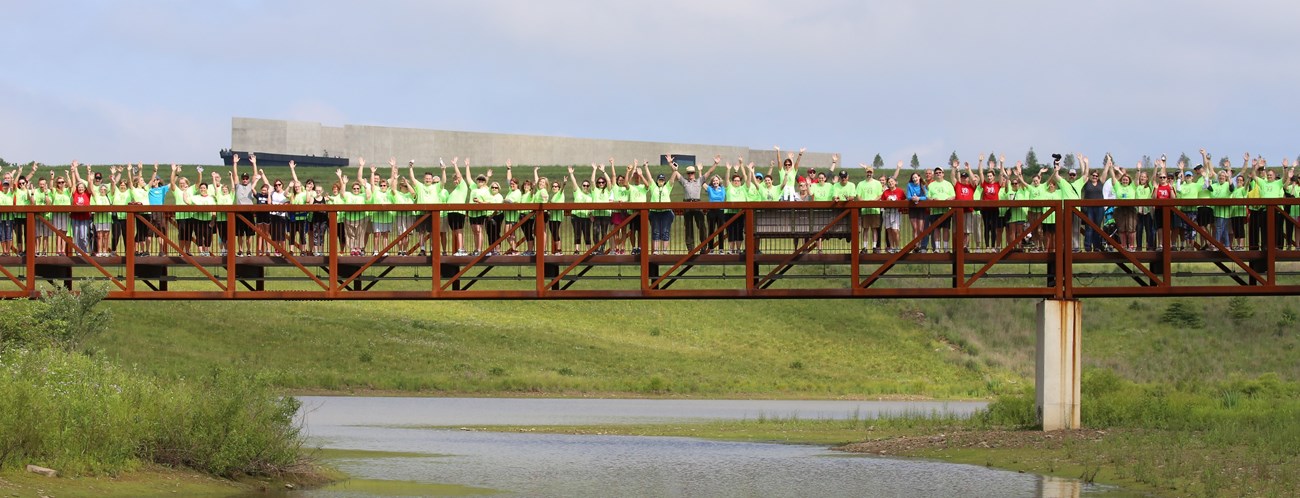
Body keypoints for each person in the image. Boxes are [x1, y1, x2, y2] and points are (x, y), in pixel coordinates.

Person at [677, 156, 714, 250]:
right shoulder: (684, 182)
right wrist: (670, 164)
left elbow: (709, 173)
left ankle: (703, 246)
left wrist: (715, 163)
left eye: (692, 173)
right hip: (687, 204)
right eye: (689, 173)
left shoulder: (699, 181)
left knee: (702, 226)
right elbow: (676, 173)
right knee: (688, 227)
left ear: (695, 173)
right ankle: (690, 249)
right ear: (687, 174)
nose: (690, 175)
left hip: (697, 204)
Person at [856, 161, 890, 254]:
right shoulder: (860, 184)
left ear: (873, 173)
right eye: (868, 172)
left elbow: (880, 195)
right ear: (865, 172)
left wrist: (873, 202)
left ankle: (875, 247)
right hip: (865, 210)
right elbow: (858, 196)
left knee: (875, 228)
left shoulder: (877, 183)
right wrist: (864, 202)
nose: (869, 174)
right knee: (865, 229)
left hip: (875, 209)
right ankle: (865, 247)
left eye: (870, 172)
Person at [652, 159, 680, 254]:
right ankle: (655, 250)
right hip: (655, 212)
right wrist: (646, 167)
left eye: (663, 180)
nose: (661, 181)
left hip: (666, 212)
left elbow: (672, 179)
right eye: (660, 180)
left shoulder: (667, 187)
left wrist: (675, 169)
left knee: (665, 231)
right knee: (655, 231)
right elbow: (649, 178)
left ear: (664, 181)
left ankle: (665, 250)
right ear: (657, 180)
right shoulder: (654, 187)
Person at [443, 157, 470, 256]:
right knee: (455, 231)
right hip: (451, 212)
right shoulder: (454, 191)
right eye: (454, 179)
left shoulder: (463, 186)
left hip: (458, 212)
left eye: (457, 179)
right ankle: (460, 249)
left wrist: (455, 164)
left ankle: (461, 249)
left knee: (458, 231)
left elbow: (459, 175)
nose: (456, 181)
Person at [927, 165, 956, 252]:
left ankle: (946, 248)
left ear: (943, 174)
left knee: (946, 229)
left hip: (946, 210)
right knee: (936, 229)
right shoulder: (931, 185)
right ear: (934, 175)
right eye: (936, 173)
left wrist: (949, 199)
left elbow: (953, 195)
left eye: (940, 172)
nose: (938, 174)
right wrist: (933, 199)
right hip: (935, 210)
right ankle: (937, 248)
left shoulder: (948, 184)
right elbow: (928, 196)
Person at [704, 172, 727, 253]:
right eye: (714, 181)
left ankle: (721, 249)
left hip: (720, 211)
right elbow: (701, 182)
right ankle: (711, 249)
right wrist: (700, 172)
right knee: (711, 230)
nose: (715, 182)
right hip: (711, 211)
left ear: (719, 181)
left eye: (716, 180)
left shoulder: (723, 189)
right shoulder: (710, 189)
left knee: (721, 230)